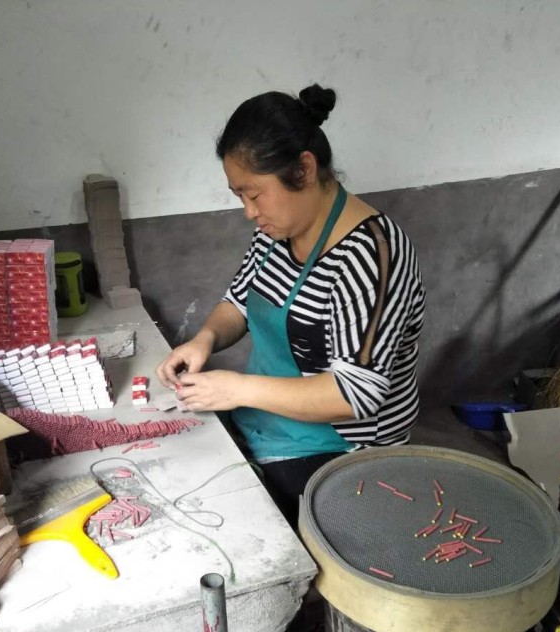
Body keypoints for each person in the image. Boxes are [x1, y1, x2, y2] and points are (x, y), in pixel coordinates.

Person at [156, 84, 425, 525]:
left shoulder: (371, 255)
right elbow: (239, 302)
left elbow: (357, 394)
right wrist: (203, 340)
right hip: (270, 419)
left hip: (343, 450)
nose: (248, 211)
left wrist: (236, 389)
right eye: (238, 196)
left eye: (254, 194)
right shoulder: (277, 232)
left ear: (303, 169)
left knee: (237, 525)